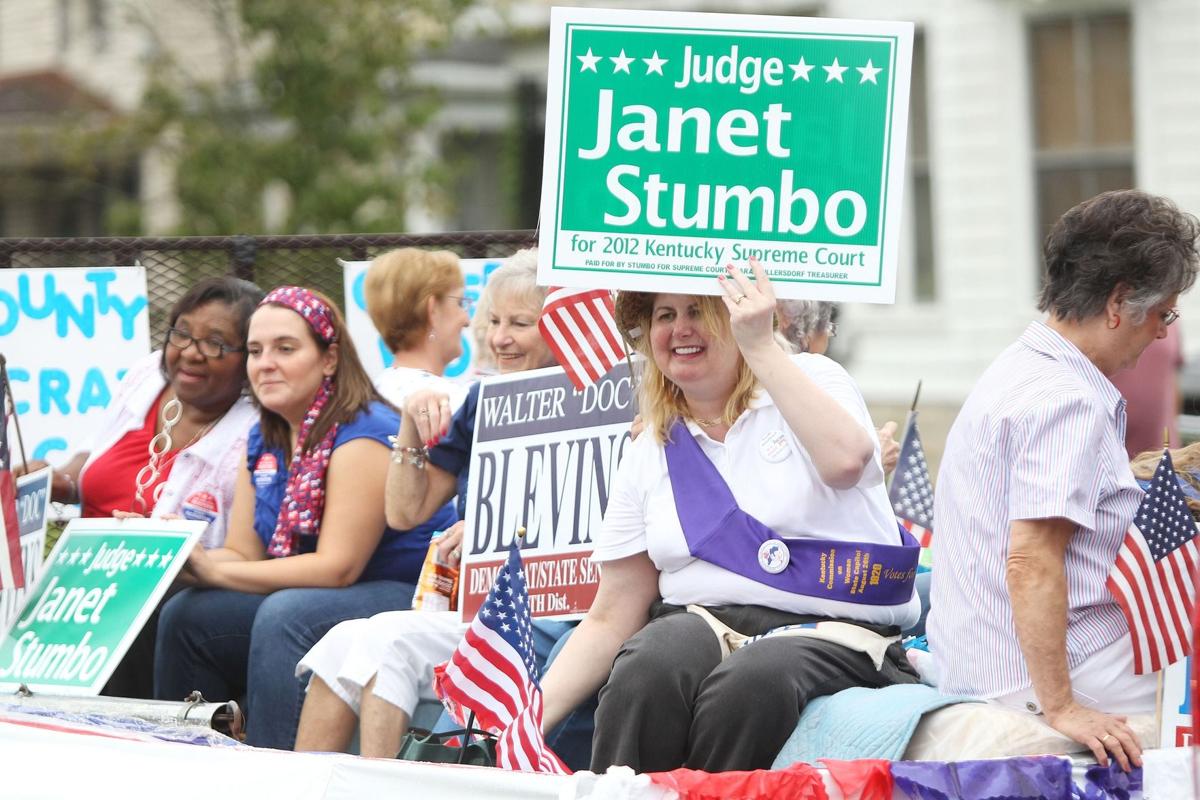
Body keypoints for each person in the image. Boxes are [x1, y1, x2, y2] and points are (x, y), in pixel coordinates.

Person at [539, 259, 921, 773]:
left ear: (735, 318)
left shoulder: (809, 378)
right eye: (664, 315)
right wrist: (523, 722)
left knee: (749, 685)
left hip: (833, 630)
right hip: (700, 621)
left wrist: (760, 346)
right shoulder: (650, 444)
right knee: (645, 670)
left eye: (699, 311)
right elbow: (611, 615)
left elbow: (847, 462)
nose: (680, 329)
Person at [929, 189, 1200, 772]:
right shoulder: (1067, 401)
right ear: (1119, 302)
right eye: (1164, 313)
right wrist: (1062, 707)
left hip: (995, 649)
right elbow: (1032, 560)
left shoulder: (1024, 366)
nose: (1161, 333)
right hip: (1040, 672)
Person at [294, 250, 588, 762]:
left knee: (389, 640)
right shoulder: (483, 400)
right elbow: (405, 512)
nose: (499, 338)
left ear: (563, 328)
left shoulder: (600, 403)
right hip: (483, 609)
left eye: (521, 323)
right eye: (492, 321)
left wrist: (497, 530)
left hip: (558, 619)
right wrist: (409, 427)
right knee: (341, 643)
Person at [154, 286, 455, 750]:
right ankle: (188, 763)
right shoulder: (265, 435)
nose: (264, 363)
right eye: (255, 351)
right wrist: (186, 553)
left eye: (285, 349)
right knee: (187, 616)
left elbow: (338, 566)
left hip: (403, 593)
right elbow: (242, 553)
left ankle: (276, 774)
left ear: (329, 359)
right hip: (317, 592)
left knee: (287, 615)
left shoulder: (365, 433)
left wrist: (216, 570)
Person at [17, 276, 264, 698]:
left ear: (247, 359)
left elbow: (238, 554)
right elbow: (91, 461)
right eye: (182, 333)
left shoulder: (255, 430)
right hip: (80, 583)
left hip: (160, 594)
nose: (190, 352)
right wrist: (57, 481)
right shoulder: (147, 376)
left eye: (215, 343)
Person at [776, 299, 901, 474]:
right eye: (829, 328)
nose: (828, 339)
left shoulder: (749, 374)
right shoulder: (821, 372)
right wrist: (875, 458)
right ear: (808, 334)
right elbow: (847, 461)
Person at [363, 247, 471, 410]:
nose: (467, 320)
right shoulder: (453, 403)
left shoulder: (371, 397)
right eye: (460, 303)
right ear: (433, 310)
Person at [1110, 325, 1184, 458]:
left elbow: (1172, 379)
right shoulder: (1097, 312)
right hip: (1109, 458)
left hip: (1162, 459)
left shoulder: (1171, 315)